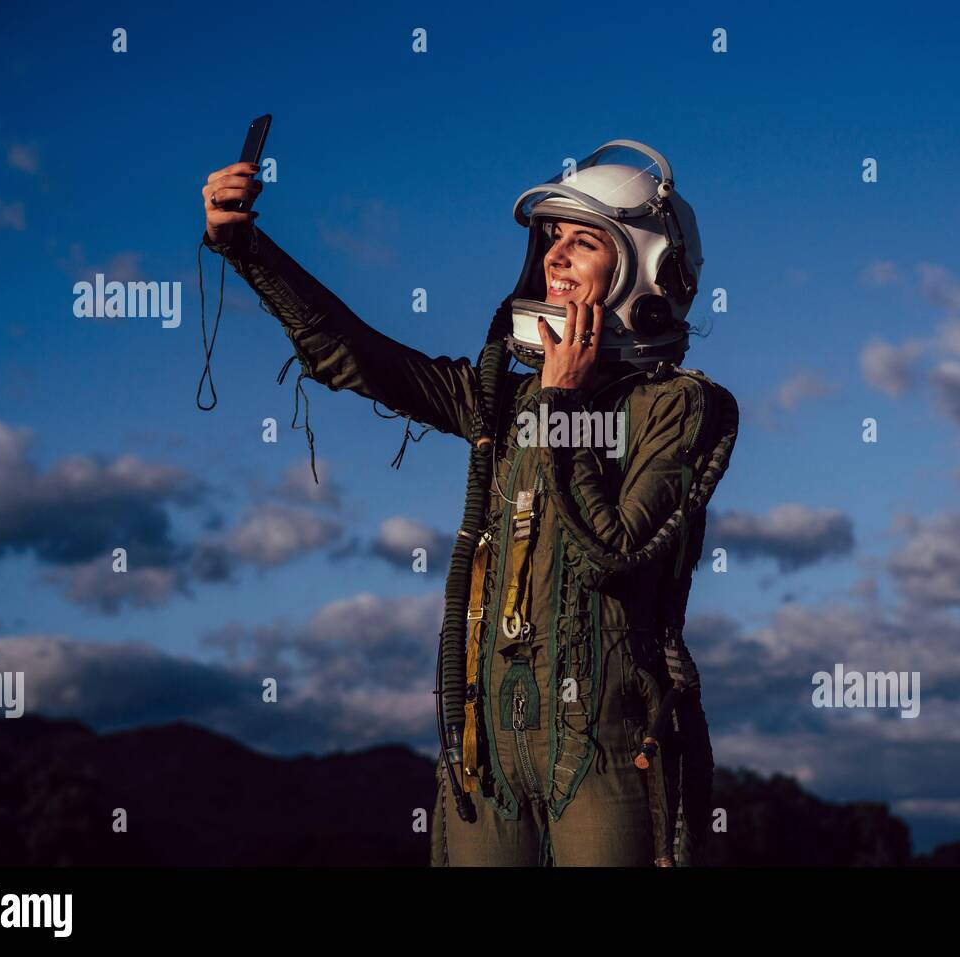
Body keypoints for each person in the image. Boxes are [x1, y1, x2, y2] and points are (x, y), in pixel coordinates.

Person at [199, 139, 738, 866]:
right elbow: (353, 355)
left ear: (649, 270)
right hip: (484, 747)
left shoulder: (685, 406)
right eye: (551, 239)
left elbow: (613, 551)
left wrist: (561, 402)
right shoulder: (499, 400)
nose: (554, 257)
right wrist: (246, 248)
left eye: (584, 241)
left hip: (611, 747)